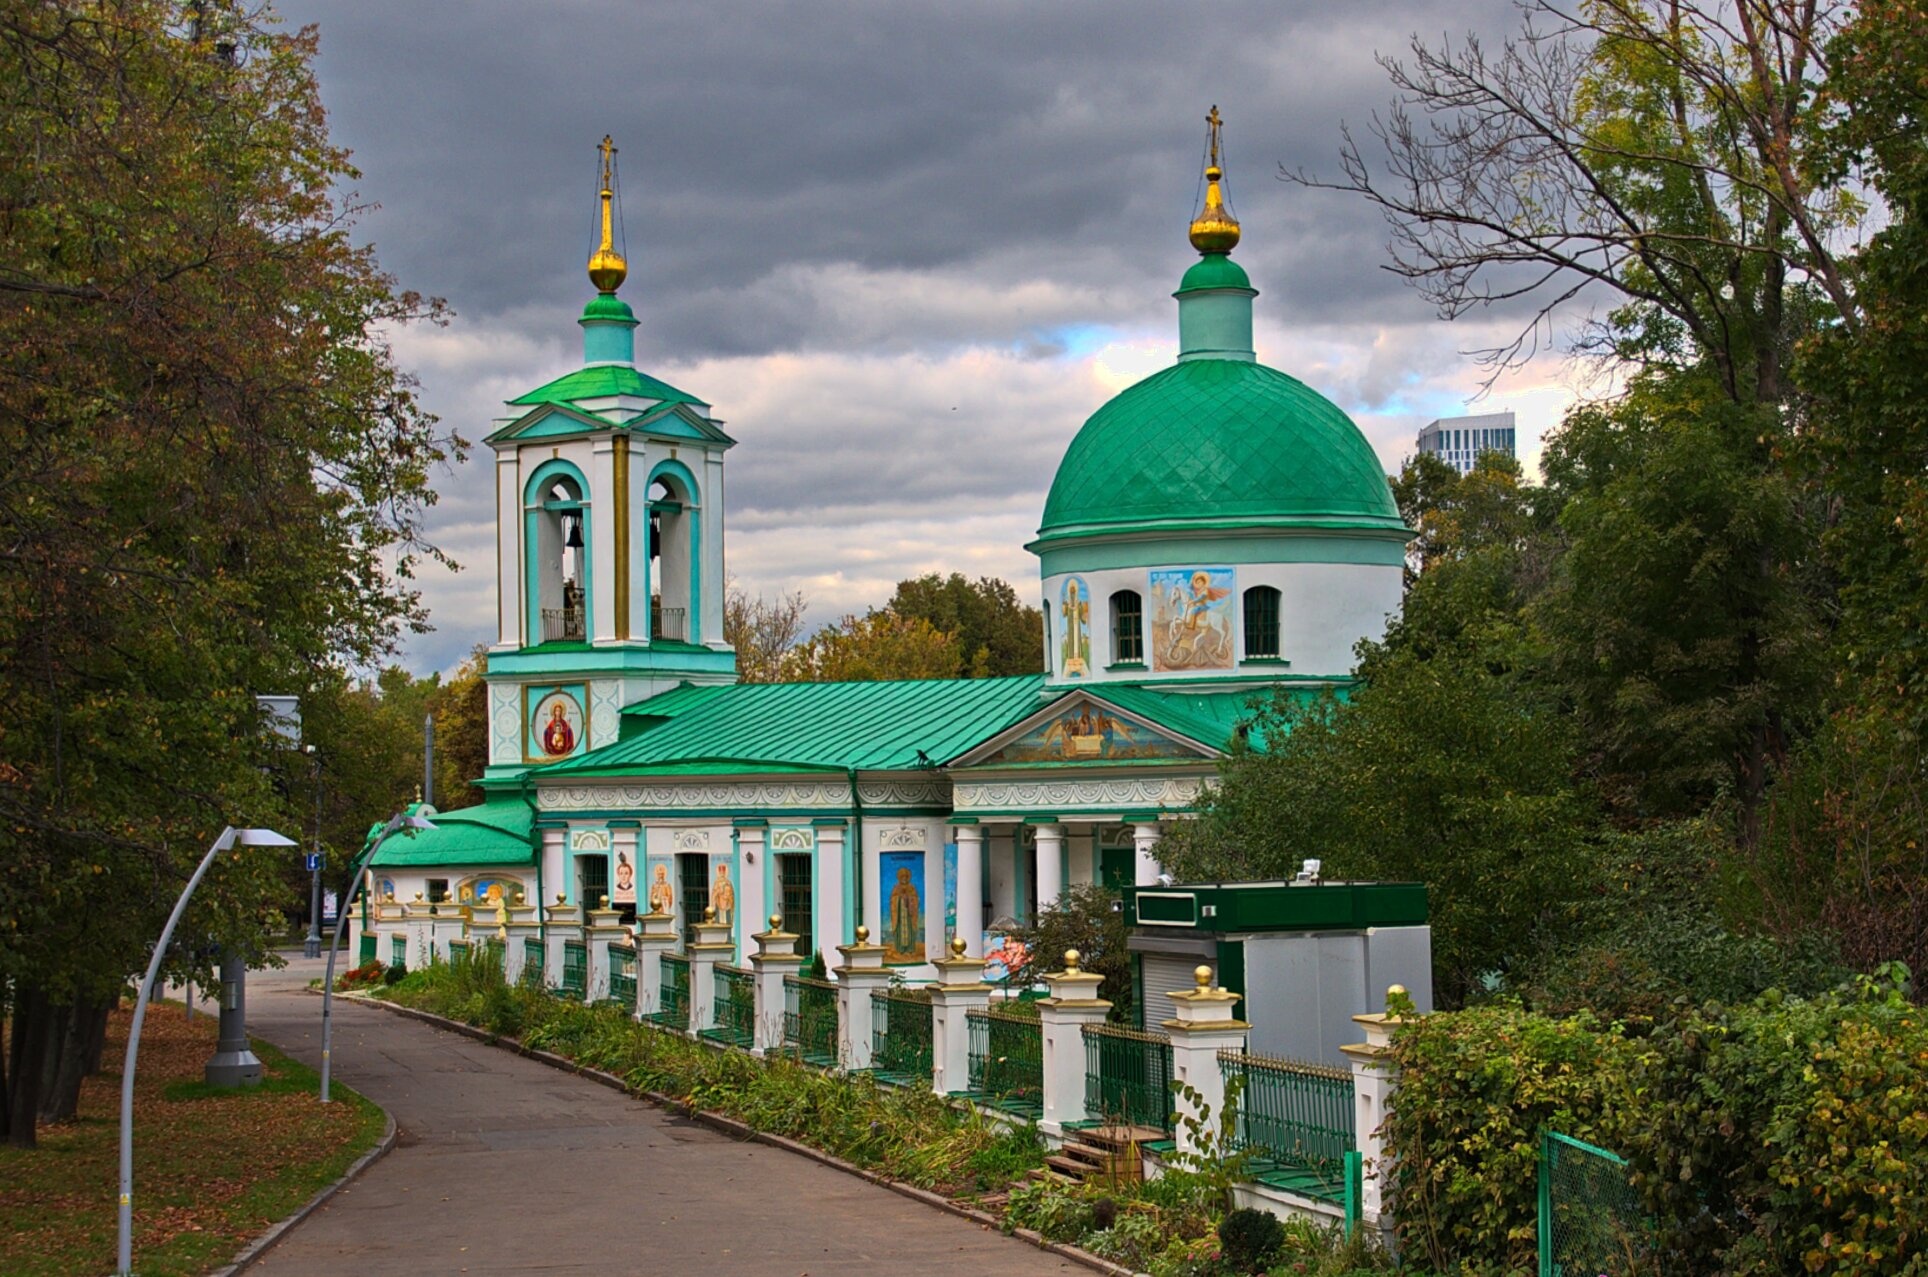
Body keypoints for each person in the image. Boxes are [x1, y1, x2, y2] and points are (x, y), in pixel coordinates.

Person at [887, 866, 922, 960]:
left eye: (906, 877)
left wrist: (909, 898)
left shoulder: (911, 887)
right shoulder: (896, 888)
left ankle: (910, 949)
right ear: (899, 878)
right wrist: (899, 898)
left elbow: (916, 899)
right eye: (902, 877)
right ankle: (900, 949)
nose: (904, 879)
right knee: (899, 930)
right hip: (899, 915)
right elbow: (892, 900)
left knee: (910, 930)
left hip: (909, 915)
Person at [710, 861, 735, 927]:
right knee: (718, 922)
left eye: (723, 872)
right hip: (719, 904)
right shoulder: (716, 882)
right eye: (720, 872)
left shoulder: (728, 882)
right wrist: (718, 891)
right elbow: (714, 895)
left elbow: (731, 894)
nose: (722, 874)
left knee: (727, 922)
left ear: (725, 873)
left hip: (727, 905)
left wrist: (727, 895)